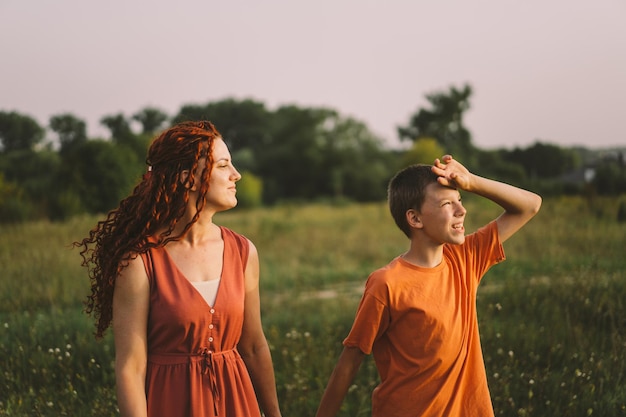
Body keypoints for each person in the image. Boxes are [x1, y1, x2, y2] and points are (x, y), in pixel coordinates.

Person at [75, 121, 282, 417]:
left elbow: (253, 347)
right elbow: (131, 368)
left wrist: (274, 414)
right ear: (189, 179)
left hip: (238, 405)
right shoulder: (139, 262)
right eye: (223, 166)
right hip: (171, 404)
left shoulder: (244, 252)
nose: (236, 175)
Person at [315, 155, 542, 417]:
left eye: (461, 201)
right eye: (447, 203)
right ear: (415, 219)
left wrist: (471, 182)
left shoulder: (465, 258)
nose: (461, 210)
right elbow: (349, 362)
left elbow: (530, 205)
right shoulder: (387, 283)